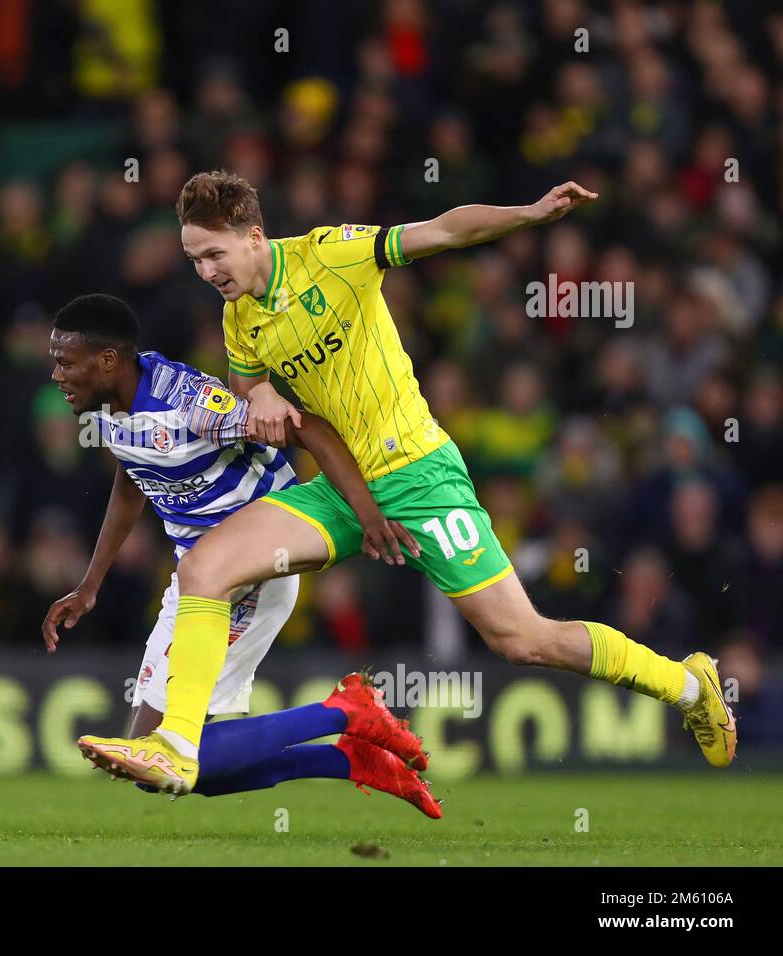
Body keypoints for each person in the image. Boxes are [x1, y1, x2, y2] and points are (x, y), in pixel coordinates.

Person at [77, 171, 735, 795]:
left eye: (214, 255)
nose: (206, 272)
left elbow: (443, 230)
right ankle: (177, 744)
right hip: (340, 487)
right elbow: (248, 391)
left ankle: (687, 685)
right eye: (194, 259)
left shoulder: (332, 255)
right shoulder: (239, 318)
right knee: (205, 566)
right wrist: (259, 395)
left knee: (522, 640)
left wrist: (528, 214)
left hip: (419, 476)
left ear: (254, 236)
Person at [44, 293, 438, 816]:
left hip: (252, 566)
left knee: (170, 752)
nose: (56, 375)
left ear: (108, 359)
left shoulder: (191, 402)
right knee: (153, 763)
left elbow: (307, 428)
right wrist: (90, 584)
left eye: (66, 362)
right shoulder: (109, 409)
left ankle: (344, 713)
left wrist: (367, 514)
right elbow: (133, 473)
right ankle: (347, 755)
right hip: (199, 575)